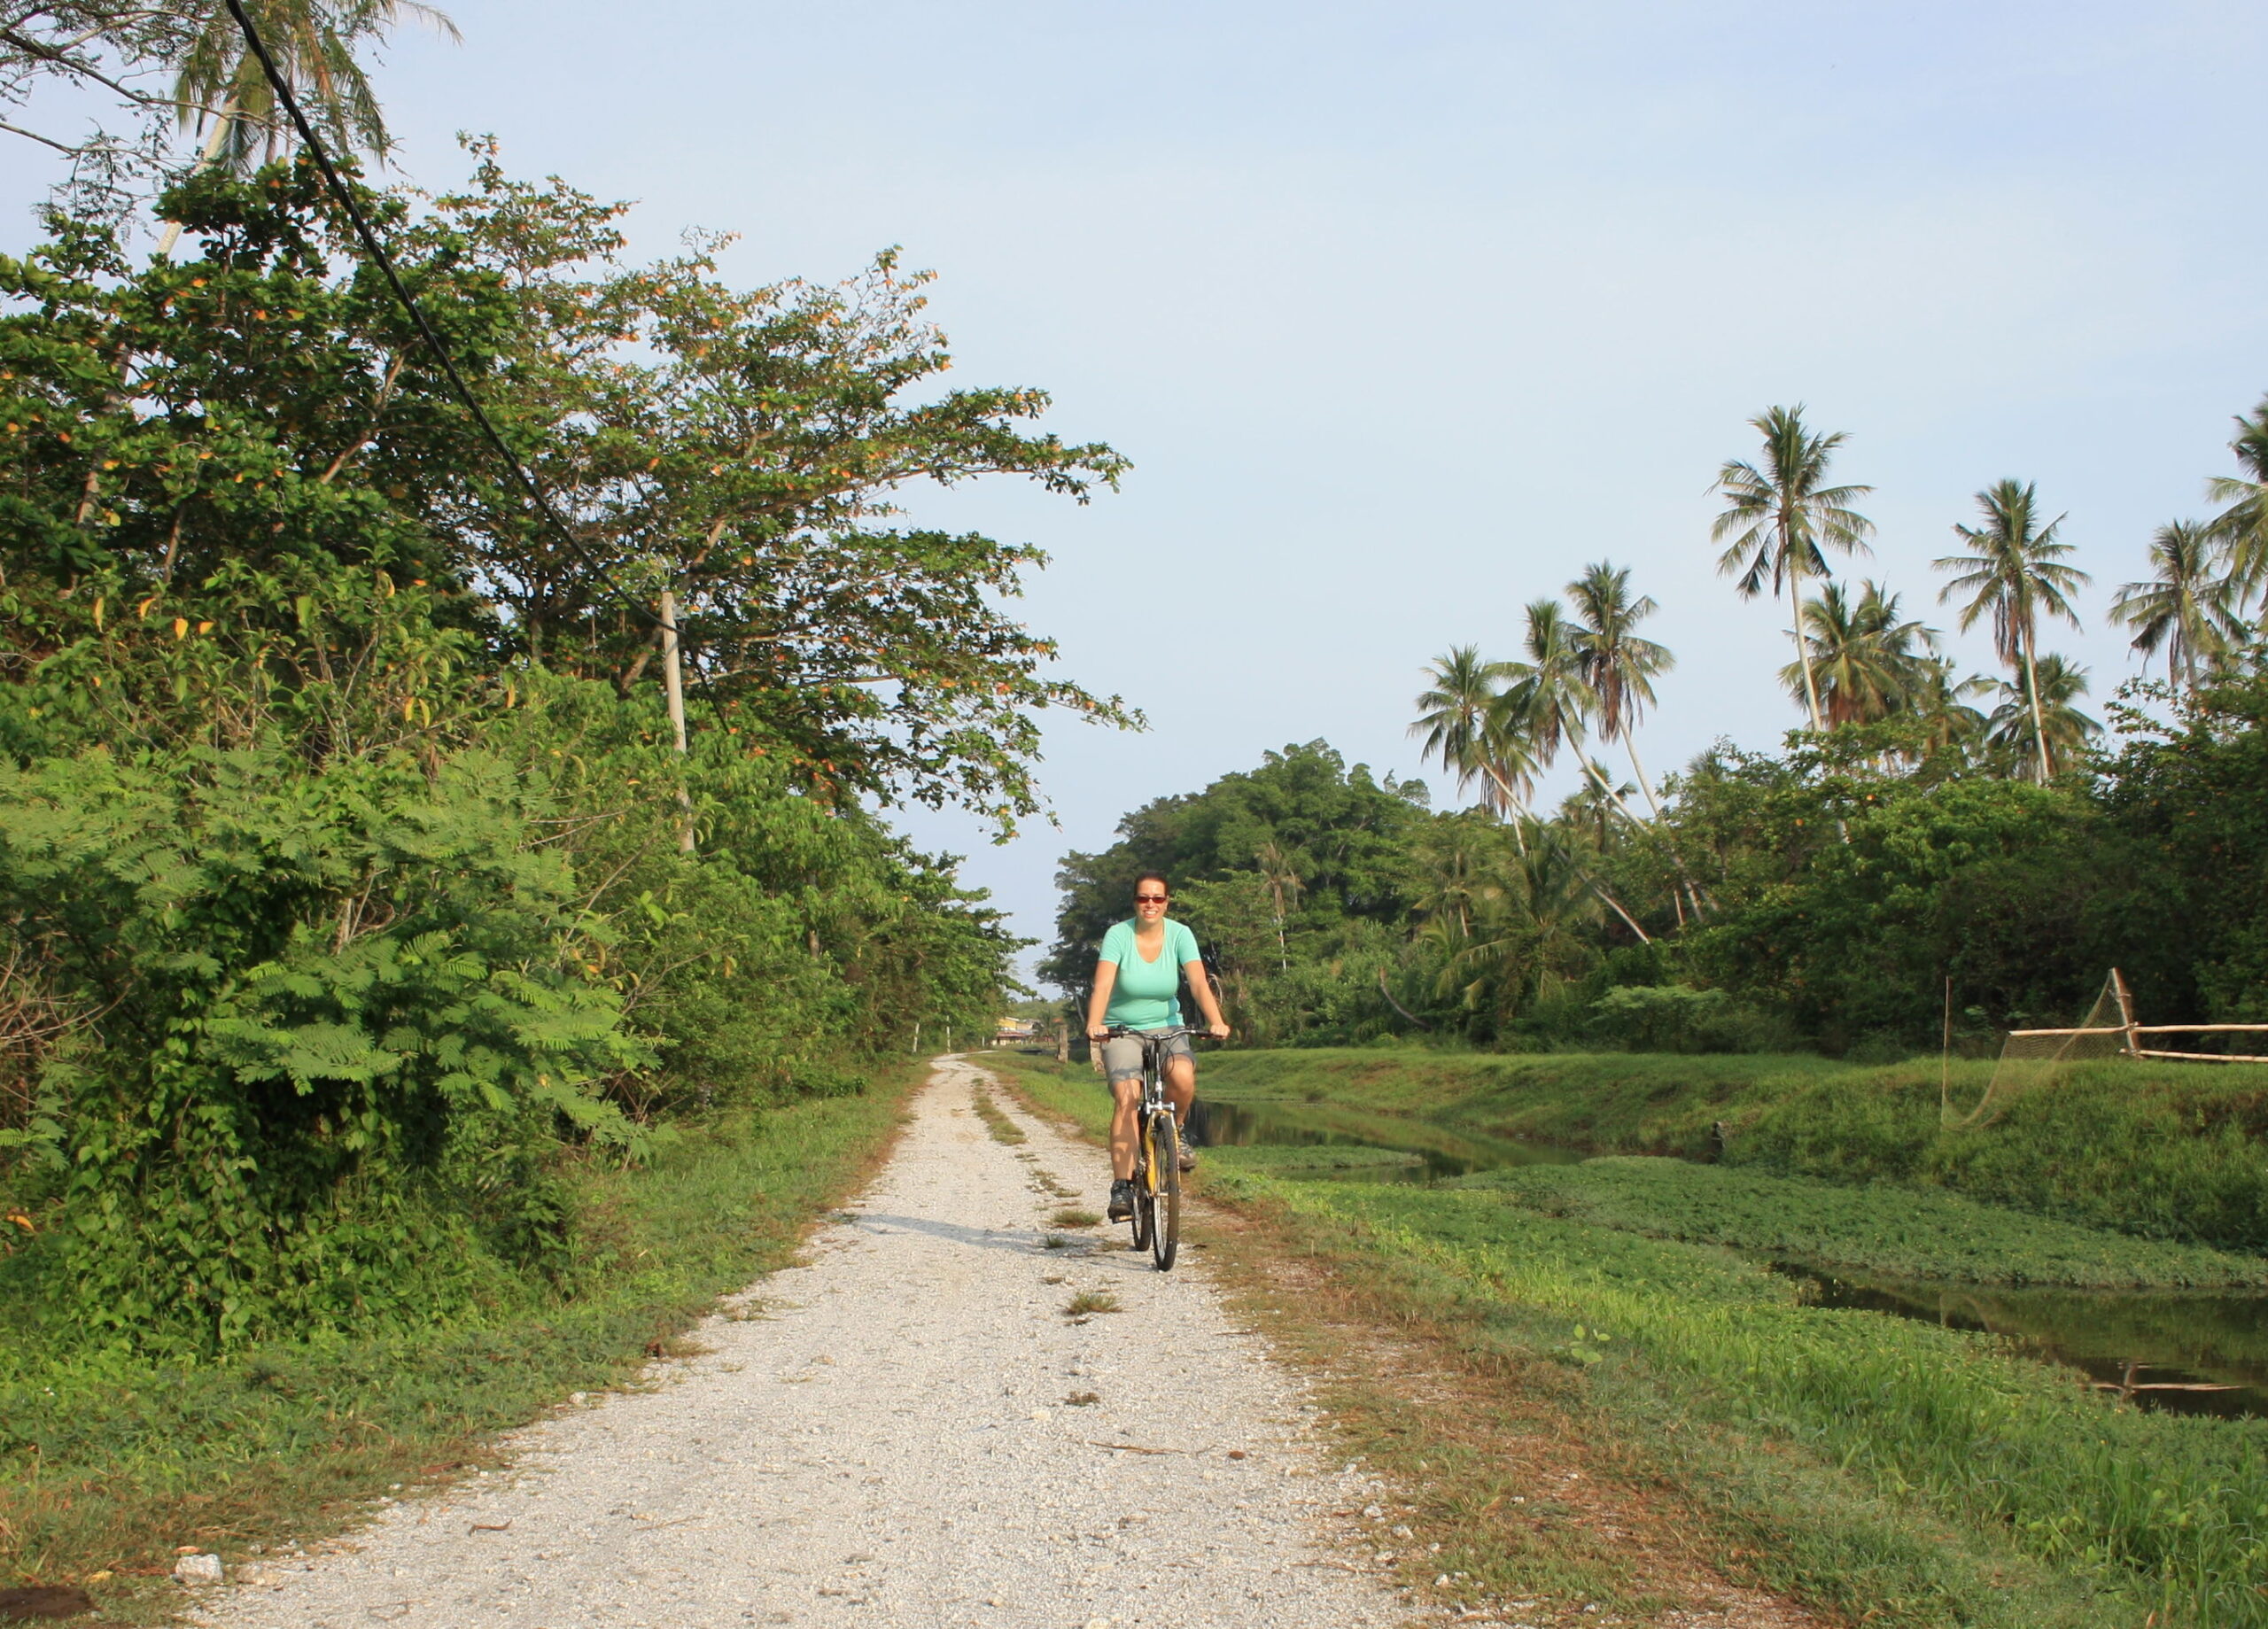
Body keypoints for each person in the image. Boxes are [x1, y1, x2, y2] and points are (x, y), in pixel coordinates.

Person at [1084, 872, 1231, 1222]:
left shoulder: (1180, 934)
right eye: (1143, 899)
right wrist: (1095, 1022)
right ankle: (1122, 1185)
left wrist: (1216, 1020)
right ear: (1135, 902)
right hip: (1121, 1030)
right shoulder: (1119, 935)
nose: (1150, 905)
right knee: (1127, 1098)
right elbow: (1103, 984)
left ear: (1167, 902)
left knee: (1182, 1074)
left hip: (1168, 1026)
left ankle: (1175, 1134)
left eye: (1158, 899)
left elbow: (1197, 981)